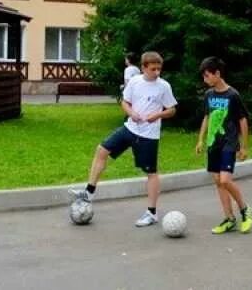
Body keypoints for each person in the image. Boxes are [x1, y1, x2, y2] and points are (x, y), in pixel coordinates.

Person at [70, 51, 177, 227]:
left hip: (149, 135)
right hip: (130, 128)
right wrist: (131, 113)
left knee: (151, 172)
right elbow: (124, 102)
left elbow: (172, 109)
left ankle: (151, 213)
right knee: (101, 150)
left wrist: (158, 114)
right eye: (153, 69)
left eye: (159, 69)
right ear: (143, 68)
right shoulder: (135, 82)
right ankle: (88, 193)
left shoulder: (164, 86)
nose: (157, 72)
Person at [195, 57, 252, 234]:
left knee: (225, 180)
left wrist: (244, 146)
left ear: (217, 74)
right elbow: (207, 116)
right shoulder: (209, 95)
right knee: (218, 182)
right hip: (214, 143)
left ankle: (244, 209)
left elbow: (243, 120)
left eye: (207, 76)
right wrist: (200, 139)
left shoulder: (233, 95)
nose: (205, 80)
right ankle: (229, 219)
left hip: (229, 143)